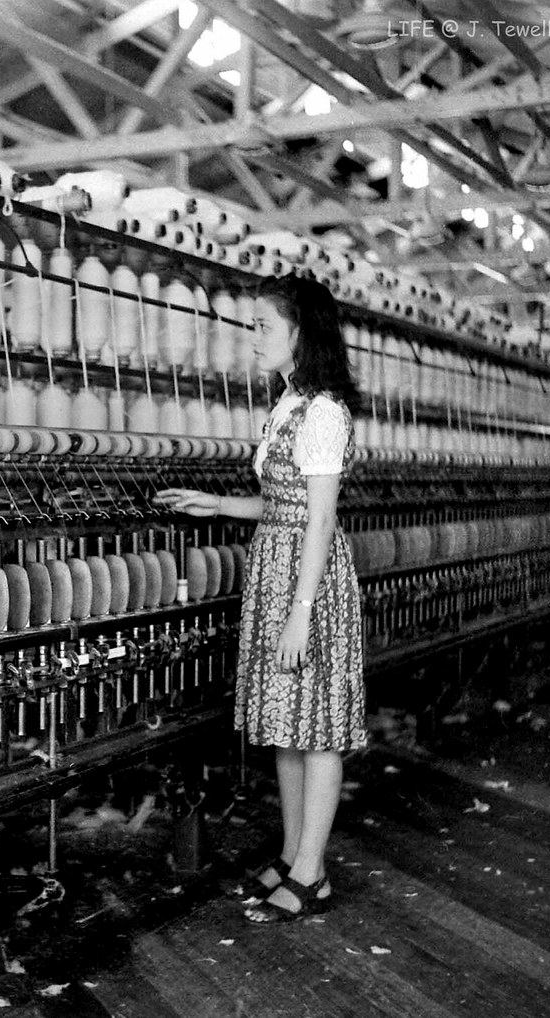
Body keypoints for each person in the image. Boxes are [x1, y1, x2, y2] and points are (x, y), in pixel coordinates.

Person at [156, 274, 366, 925]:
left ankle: (313, 871)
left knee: (318, 729)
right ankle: (292, 851)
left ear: (301, 333)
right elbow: (282, 504)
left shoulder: (324, 412)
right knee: (285, 724)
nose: (253, 339)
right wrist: (216, 504)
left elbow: (321, 520)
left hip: (311, 581)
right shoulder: (285, 407)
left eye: (263, 327)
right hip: (277, 567)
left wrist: (301, 614)